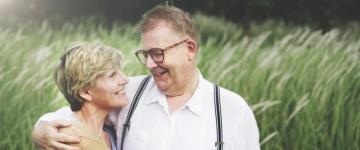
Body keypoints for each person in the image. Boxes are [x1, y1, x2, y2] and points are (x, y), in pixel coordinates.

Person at [32, 5, 260, 150]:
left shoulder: (233, 110)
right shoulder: (129, 92)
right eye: (145, 54)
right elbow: (76, 113)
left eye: (157, 53)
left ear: (189, 49)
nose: (149, 64)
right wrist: (40, 130)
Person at [32, 42, 129, 150]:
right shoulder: (66, 137)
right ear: (85, 92)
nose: (125, 80)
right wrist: (39, 130)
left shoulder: (113, 130)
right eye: (112, 75)